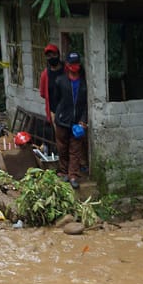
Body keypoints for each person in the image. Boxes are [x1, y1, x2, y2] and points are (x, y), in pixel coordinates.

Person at [51, 50, 87, 188]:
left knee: (75, 149)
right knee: (62, 147)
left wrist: (83, 120)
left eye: (77, 63)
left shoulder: (84, 82)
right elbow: (55, 101)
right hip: (62, 121)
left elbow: (86, 104)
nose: (74, 66)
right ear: (67, 65)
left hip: (77, 122)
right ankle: (63, 172)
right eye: (72, 64)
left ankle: (73, 175)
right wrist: (58, 116)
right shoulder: (60, 81)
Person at [38, 43, 62, 120]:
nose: (52, 58)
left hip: (67, 111)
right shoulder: (45, 74)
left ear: (58, 55)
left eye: (54, 55)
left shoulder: (66, 70)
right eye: (49, 56)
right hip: (53, 112)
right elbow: (43, 94)